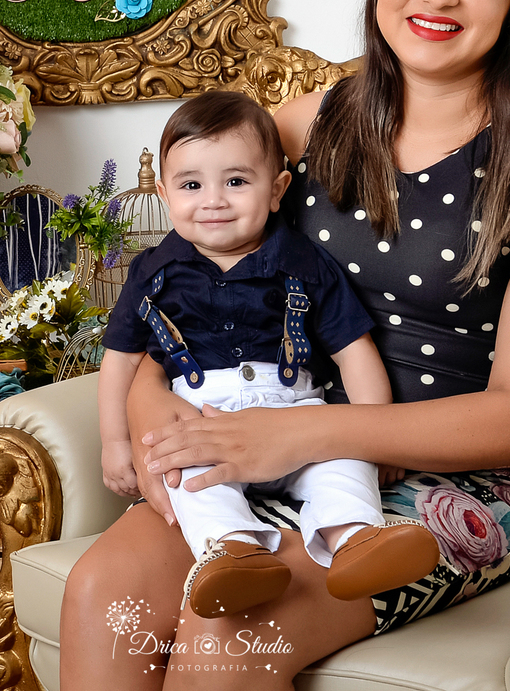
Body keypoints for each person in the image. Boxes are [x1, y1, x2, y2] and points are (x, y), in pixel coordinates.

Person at [61, 0, 510, 689]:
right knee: (101, 591)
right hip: (262, 434)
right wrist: (158, 429)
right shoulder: (303, 128)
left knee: (228, 636)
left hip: (453, 482)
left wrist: (311, 436)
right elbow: (171, 309)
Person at [98, 90, 442, 620]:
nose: (213, 200)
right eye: (192, 186)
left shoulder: (305, 263)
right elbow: (120, 361)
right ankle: (234, 552)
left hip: (298, 413)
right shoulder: (152, 272)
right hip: (202, 419)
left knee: (342, 461)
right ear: (165, 195)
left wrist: (378, 434)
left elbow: (355, 352)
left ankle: (356, 539)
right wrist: (116, 443)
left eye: (236, 181)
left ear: (278, 189)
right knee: (185, 474)